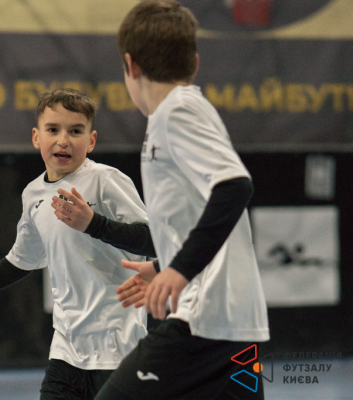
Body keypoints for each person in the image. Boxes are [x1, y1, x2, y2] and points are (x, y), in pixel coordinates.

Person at [0, 88, 158, 400]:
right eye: (53, 129)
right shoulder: (33, 195)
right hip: (66, 354)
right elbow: (19, 262)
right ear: (36, 137)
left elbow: (154, 240)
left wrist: (94, 224)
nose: (63, 140)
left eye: (75, 131)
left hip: (119, 352)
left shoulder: (106, 181)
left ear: (91, 141)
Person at [92, 1, 270, 399]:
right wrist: (163, 265)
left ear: (130, 65)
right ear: (195, 62)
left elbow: (234, 187)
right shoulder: (181, 113)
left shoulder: (177, 110)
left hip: (206, 321)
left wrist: (179, 270)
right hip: (232, 324)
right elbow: (201, 215)